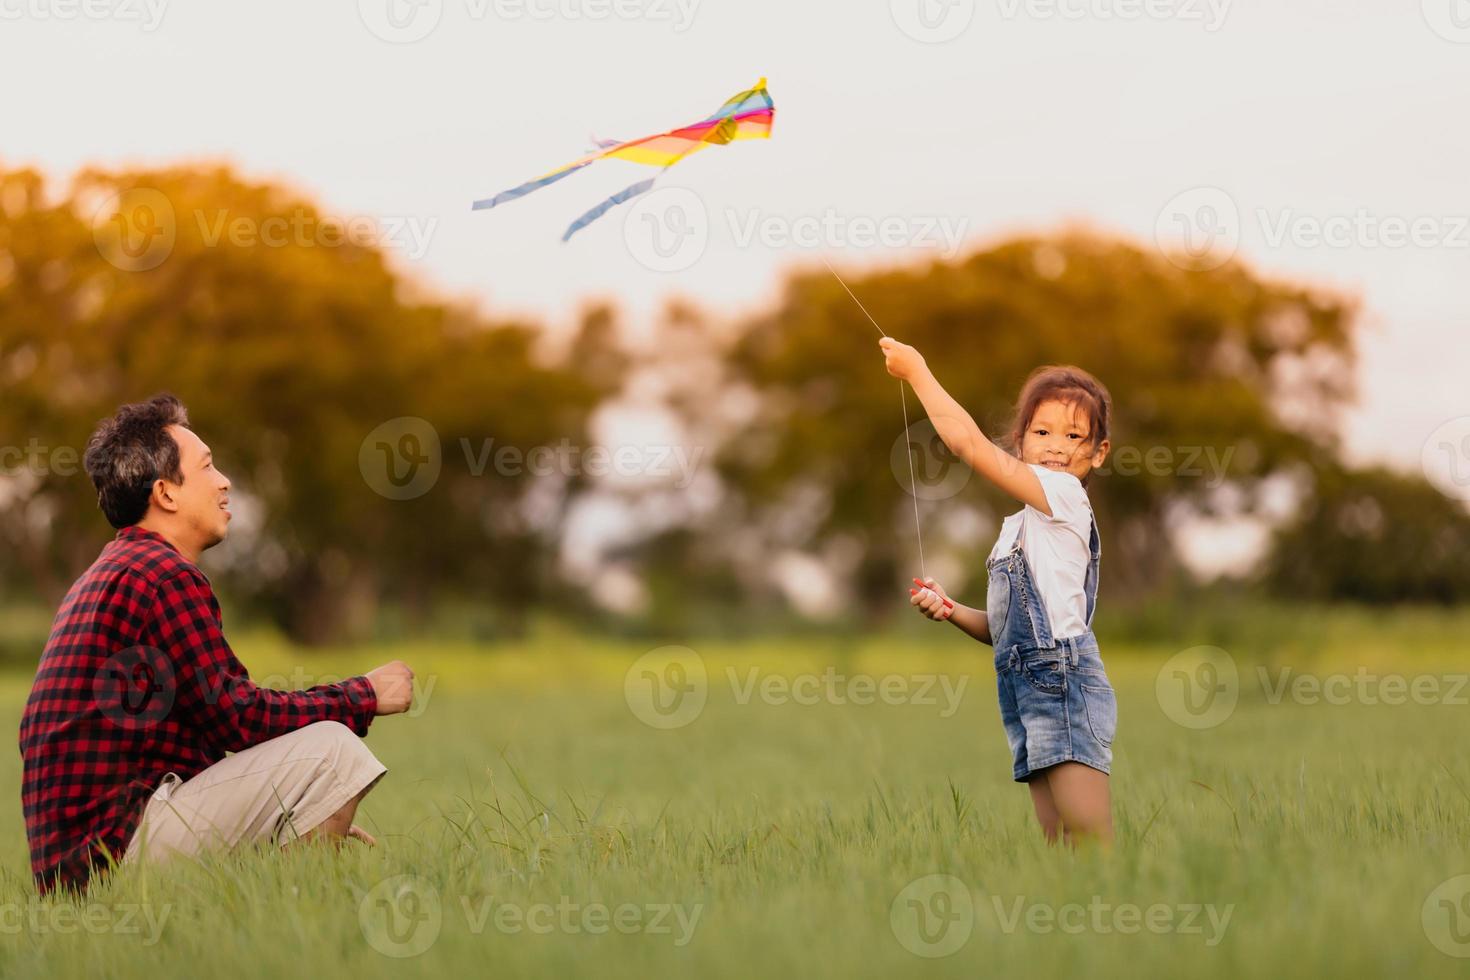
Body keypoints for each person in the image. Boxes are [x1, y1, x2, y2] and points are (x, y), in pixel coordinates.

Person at [19, 394, 416, 894]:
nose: (224, 481)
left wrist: (290, 813)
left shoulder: (107, 574)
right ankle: (299, 929)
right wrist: (364, 695)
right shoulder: (164, 575)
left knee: (314, 767)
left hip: (82, 866)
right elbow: (240, 717)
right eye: (207, 466)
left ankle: (282, 917)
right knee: (331, 752)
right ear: (166, 494)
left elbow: (202, 728)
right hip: (115, 859)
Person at [880, 341, 1117, 846]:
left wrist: (918, 371)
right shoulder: (1016, 529)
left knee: (1092, 842)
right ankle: (1078, 920)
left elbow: (965, 443)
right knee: (1059, 844)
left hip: (1064, 682)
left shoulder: (1065, 497)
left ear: (1098, 453)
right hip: (1024, 687)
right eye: (1042, 432)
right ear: (1021, 442)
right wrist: (950, 611)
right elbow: (1008, 631)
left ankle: (1123, 914)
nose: (1056, 446)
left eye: (1074, 435)